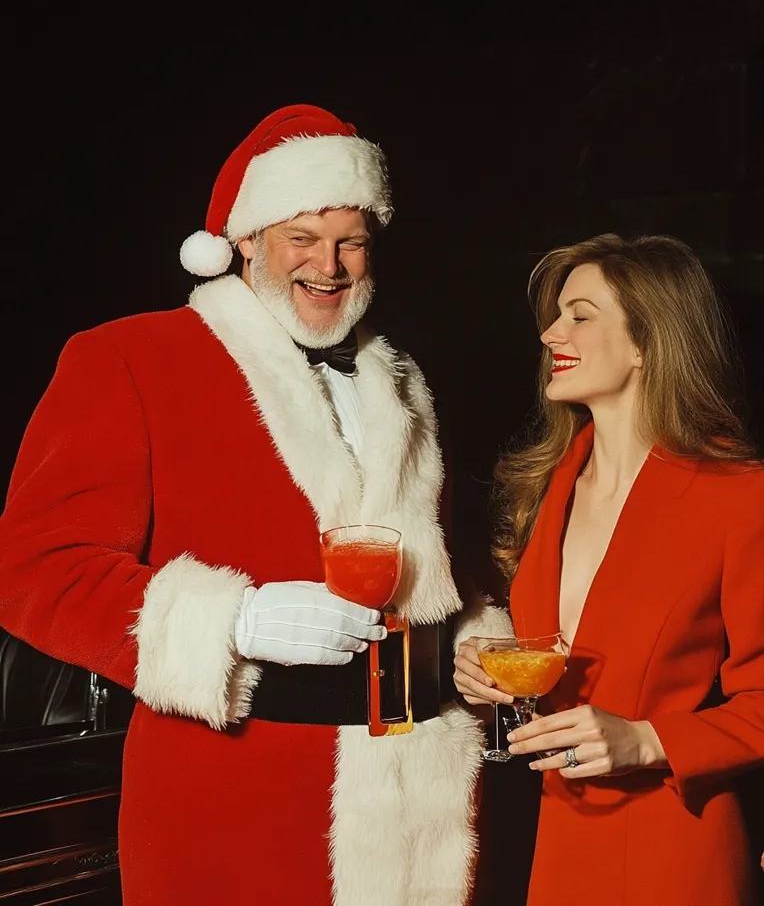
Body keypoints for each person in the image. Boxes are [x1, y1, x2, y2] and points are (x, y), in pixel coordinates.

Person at [0, 104, 512, 906]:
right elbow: (34, 570)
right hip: (230, 792)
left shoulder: (401, 377)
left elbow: (445, 560)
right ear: (244, 242)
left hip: (422, 796)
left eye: (351, 241)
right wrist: (234, 621)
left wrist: (476, 633)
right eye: (302, 239)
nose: (329, 265)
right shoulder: (128, 358)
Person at [454, 233, 764, 905]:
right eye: (557, 313)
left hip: (677, 850)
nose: (549, 332)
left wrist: (650, 739)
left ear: (647, 341)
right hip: (558, 843)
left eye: (580, 314)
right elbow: (559, 661)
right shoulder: (550, 485)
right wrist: (492, 675)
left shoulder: (738, 494)